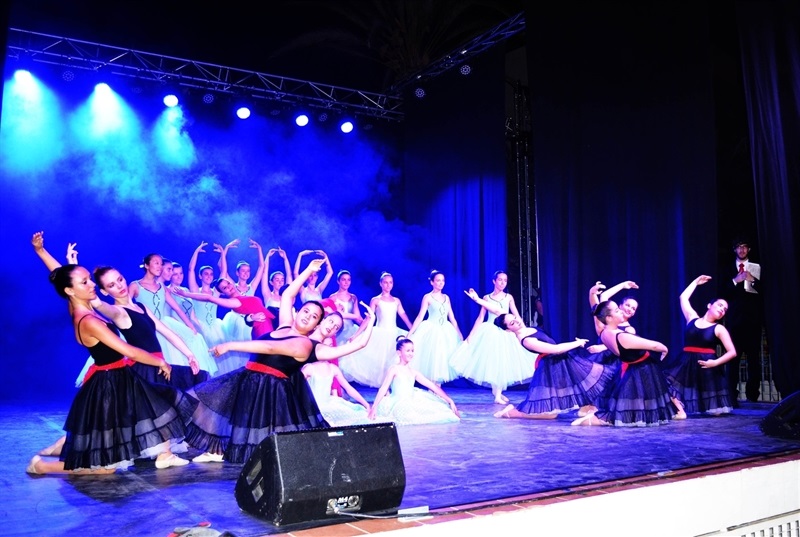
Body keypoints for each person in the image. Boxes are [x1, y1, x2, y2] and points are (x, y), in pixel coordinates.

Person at [28, 232, 193, 474]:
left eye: (89, 280)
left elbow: (64, 280)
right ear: (72, 291)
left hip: (118, 377)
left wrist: (45, 253)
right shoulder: (89, 319)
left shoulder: (82, 307)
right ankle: (42, 466)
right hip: (108, 382)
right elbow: (129, 351)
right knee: (106, 465)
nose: (92, 285)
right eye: (86, 282)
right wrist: (160, 363)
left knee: (121, 441)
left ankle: (162, 452)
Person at [185, 259, 375, 464]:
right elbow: (287, 295)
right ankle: (217, 450)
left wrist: (230, 345)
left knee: (256, 428)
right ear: (298, 311)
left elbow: (270, 348)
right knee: (229, 413)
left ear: (315, 324)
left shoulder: (306, 345)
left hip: (269, 387)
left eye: (313, 317)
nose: (307, 316)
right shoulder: (284, 325)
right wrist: (308, 270)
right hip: (249, 376)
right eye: (306, 311)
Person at [572, 301, 682, 427]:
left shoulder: (603, 332)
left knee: (634, 407)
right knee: (629, 410)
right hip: (640, 369)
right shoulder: (622, 336)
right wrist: (664, 349)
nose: (621, 311)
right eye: (617, 310)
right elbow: (654, 345)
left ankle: (592, 419)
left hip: (633, 368)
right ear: (609, 318)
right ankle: (591, 420)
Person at [491, 313, 612, 420]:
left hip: (562, 361)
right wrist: (577, 343)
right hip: (551, 367)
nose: (517, 321)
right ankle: (510, 413)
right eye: (512, 323)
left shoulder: (529, 329)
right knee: (550, 413)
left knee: (588, 380)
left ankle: (586, 409)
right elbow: (556, 349)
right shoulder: (526, 340)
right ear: (508, 330)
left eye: (515, 318)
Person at [450, 273, 537, 404]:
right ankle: (497, 394)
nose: (502, 283)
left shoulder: (508, 297)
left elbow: (516, 315)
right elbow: (481, 317)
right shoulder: (487, 297)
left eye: (505, 280)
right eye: (500, 280)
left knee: (503, 362)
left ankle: (498, 393)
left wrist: (523, 331)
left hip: (506, 332)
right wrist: (471, 335)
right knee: (494, 362)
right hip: (490, 332)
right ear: (494, 281)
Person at [129, 254, 216, 376]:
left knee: (181, 350)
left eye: (161, 264)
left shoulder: (162, 288)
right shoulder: (135, 285)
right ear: (147, 265)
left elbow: (177, 308)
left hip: (163, 325)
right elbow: (126, 306)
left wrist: (191, 326)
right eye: (156, 263)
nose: (159, 266)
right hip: (145, 327)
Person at [661, 275, 736, 415]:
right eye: (720, 305)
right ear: (709, 306)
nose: (722, 309)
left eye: (725, 309)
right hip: (686, 362)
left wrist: (715, 363)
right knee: (665, 381)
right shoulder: (692, 318)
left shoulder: (719, 328)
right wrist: (696, 282)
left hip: (707, 365)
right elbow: (683, 298)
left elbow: (732, 352)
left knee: (715, 411)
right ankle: (680, 411)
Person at [172, 279, 275, 374]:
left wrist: (250, 317)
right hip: (262, 328)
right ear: (223, 293)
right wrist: (186, 294)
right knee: (268, 362)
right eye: (225, 288)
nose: (229, 287)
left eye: (228, 283)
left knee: (269, 360)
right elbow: (209, 298)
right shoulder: (233, 301)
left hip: (266, 325)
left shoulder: (243, 296)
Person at [339, 271, 414, 387]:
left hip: (394, 333)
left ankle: (392, 385)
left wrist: (412, 330)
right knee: (380, 361)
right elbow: (368, 319)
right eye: (385, 282)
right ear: (381, 284)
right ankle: (383, 387)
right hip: (380, 333)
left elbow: (403, 316)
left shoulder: (396, 301)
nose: (388, 285)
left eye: (390, 282)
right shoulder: (376, 300)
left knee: (393, 359)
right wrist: (356, 335)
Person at [368, 338, 460, 425]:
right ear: (399, 353)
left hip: (411, 400)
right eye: (408, 351)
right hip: (398, 402)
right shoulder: (394, 369)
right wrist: (374, 406)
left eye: (412, 351)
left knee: (440, 411)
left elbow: (432, 386)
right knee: (406, 413)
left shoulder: (413, 372)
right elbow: (384, 387)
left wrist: (449, 400)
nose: (411, 353)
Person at [722, 238, 764, 404]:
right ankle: (731, 395)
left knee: (754, 360)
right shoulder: (727, 269)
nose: (742, 250)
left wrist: (752, 279)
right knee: (732, 359)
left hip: (752, 322)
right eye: (739, 247)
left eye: (744, 247)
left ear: (749, 249)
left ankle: (752, 395)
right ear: (735, 250)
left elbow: (763, 292)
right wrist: (735, 280)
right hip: (734, 322)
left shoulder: (755, 267)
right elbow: (722, 292)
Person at [407, 270, 463, 384]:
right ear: (432, 282)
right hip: (432, 330)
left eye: (443, 280)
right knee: (433, 360)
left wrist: (459, 333)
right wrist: (410, 333)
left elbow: (452, 317)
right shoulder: (428, 297)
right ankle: (432, 389)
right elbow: (420, 317)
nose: (441, 283)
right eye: (438, 280)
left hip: (446, 330)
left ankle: (437, 389)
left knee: (442, 360)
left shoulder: (446, 297)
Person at [302, 361, 372, 426]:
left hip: (328, 404)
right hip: (312, 407)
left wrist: (366, 404)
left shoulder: (333, 368)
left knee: (360, 415)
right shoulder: (309, 369)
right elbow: (298, 389)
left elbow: (349, 388)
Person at [328, 269, 364, 343]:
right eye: (343, 279)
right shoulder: (333, 297)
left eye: (348, 280)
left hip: (351, 329)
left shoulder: (353, 297)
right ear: (338, 281)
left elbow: (358, 317)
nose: (346, 282)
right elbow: (332, 316)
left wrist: (365, 324)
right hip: (338, 330)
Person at [262, 247, 293, 320]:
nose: (280, 282)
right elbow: (264, 273)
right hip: (271, 325)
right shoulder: (268, 295)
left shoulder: (287, 295)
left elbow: (289, 275)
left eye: (282, 280)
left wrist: (285, 258)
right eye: (277, 280)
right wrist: (267, 257)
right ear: (271, 282)